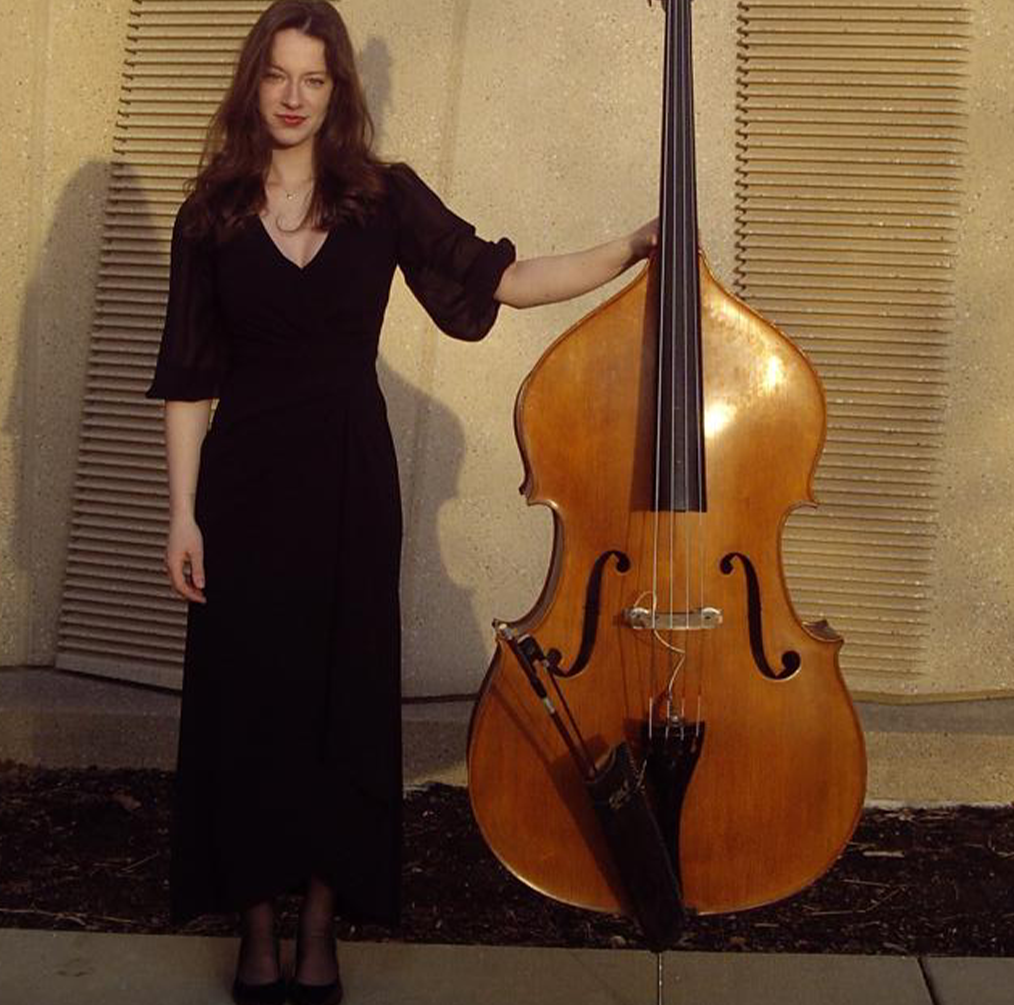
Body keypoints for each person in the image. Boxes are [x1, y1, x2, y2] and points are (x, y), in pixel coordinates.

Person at [145, 3, 655, 1003]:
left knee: (342, 695)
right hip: (242, 488)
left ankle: (324, 925)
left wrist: (627, 248)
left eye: (314, 79)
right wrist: (182, 513)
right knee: (246, 702)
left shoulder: (384, 200)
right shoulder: (208, 213)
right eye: (277, 77)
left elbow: (500, 280)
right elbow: (189, 380)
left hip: (348, 481)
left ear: (339, 93)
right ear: (253, 85)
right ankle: (256, 926)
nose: (293, 98)